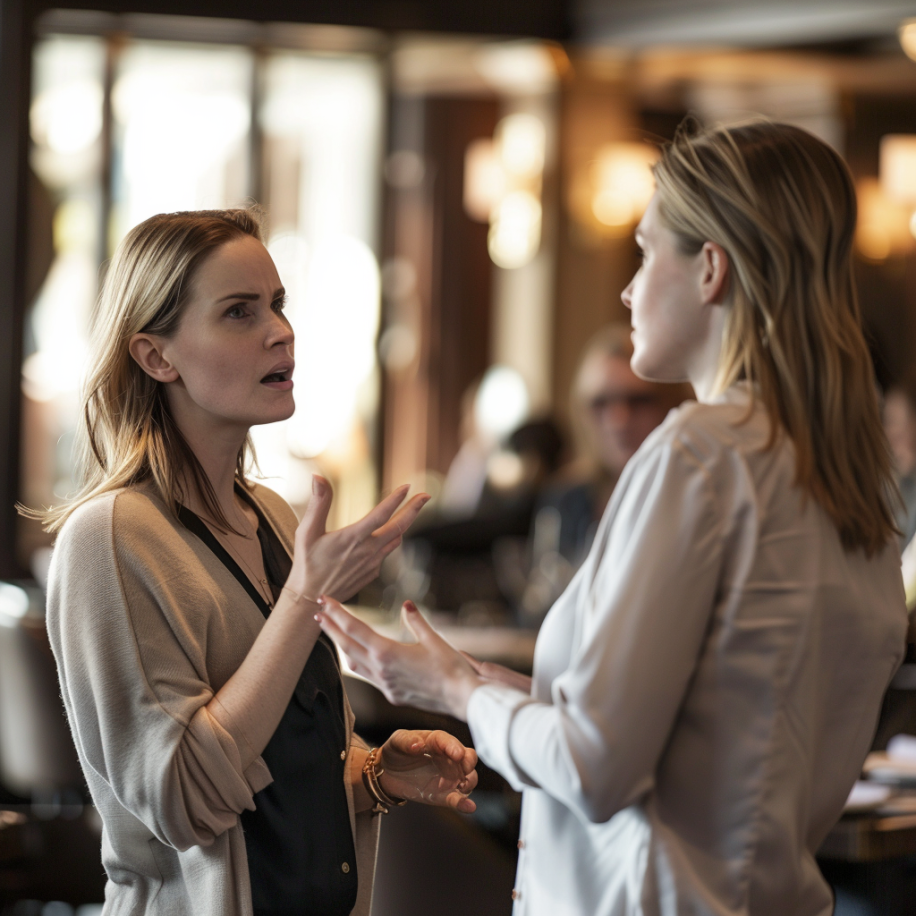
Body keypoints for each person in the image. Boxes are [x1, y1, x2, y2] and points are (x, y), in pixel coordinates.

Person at [315, 120, 909, 916]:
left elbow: (596, 771)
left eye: (643, 250)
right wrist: (491, 682)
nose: (628, 288)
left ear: (710, 269)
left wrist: (456, 689)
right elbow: (717, 727)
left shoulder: (700, 453)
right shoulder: (848, 476)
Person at [34, 208, 478, 916]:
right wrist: (305, 599)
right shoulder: (111, 536)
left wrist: (373, 774)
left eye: (277, 305)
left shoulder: (270, 515)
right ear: (156, 356)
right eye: (239, 312)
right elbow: (180, 803)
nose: (281, 331)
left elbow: (277, 770)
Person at [539, 322, 691, 566]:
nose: (618, 421)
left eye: (639, 400)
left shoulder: (690, 497)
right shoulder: (566, 500)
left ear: (671, 405)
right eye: (600, 403)